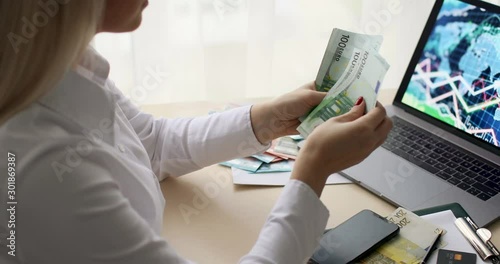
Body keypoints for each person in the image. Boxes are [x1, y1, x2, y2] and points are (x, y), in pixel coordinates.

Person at [0, 1, 392, 263]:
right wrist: (311, 172)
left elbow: (150, 146)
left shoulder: (65, 66)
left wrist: (266, 119)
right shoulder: (41, 171)